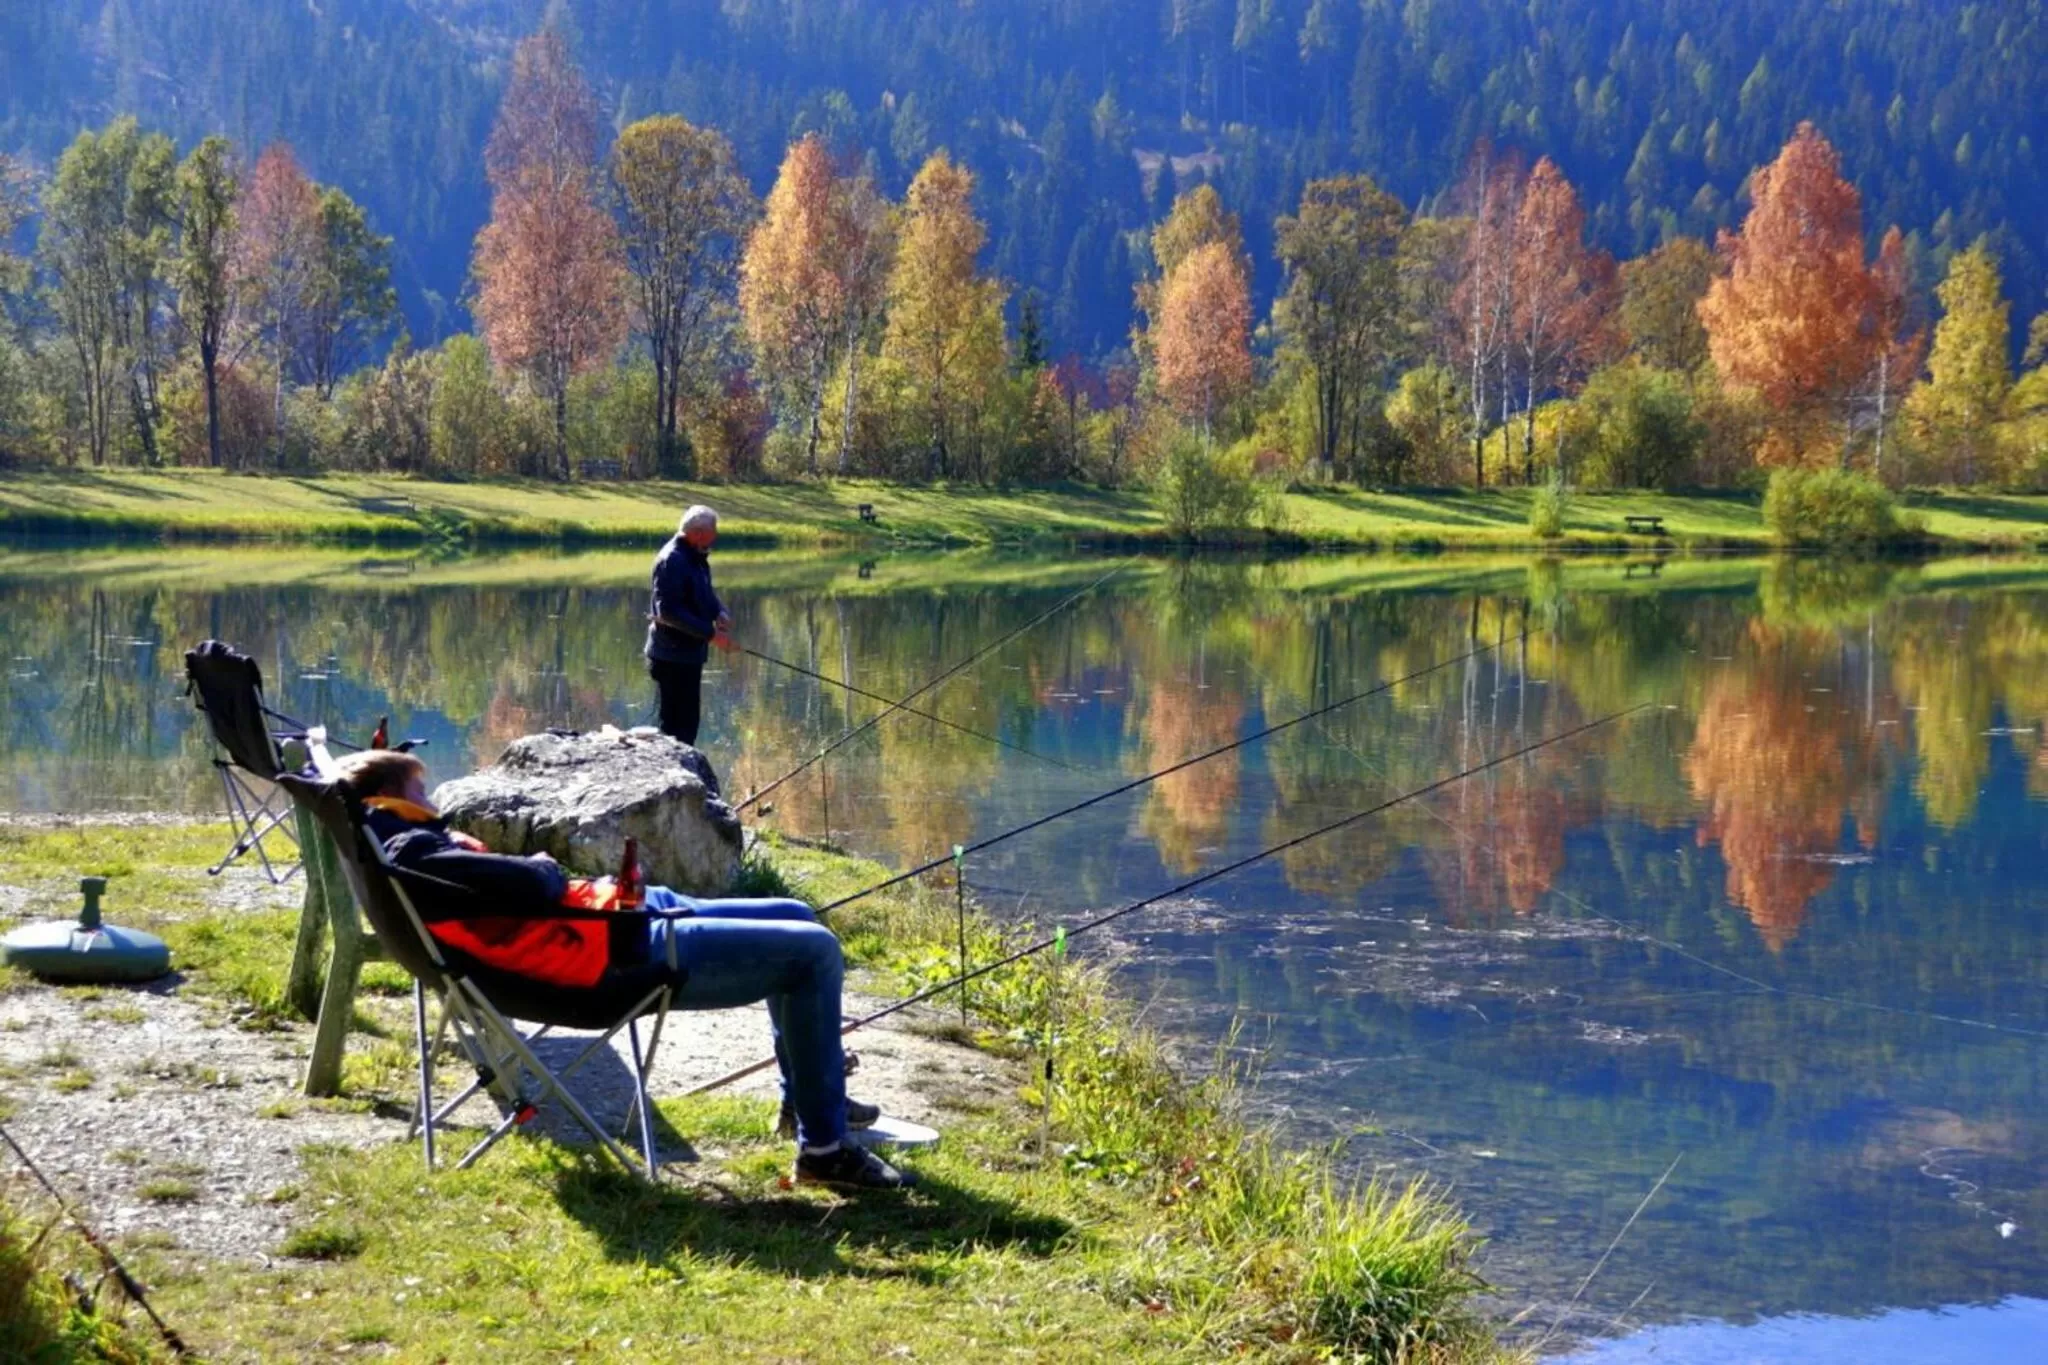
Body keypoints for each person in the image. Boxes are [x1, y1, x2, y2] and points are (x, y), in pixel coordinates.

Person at [336, 747, 915, 1191]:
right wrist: (541, 867)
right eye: (422, 788)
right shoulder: (414, 848)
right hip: (607, 958)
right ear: (396, 794)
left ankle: (809, 1105)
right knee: (813, 952)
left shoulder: (391, 836)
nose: (433, 798)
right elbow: (527, 882)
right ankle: (824, 1150)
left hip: (605, 922)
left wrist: (547, 879)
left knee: (794, 912)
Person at [645, 504, 736, 752]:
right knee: (675, 727)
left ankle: (684, 779)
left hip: (688, 655)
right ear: (697, 532)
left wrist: (718, 611)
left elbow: (703, 592)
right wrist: (711, 635)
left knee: (689, 723)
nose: (714, 537)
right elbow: (669, 612)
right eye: (711, 532)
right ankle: (671, 782)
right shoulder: (672, 560)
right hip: (670, 656)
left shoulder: (696, 556)